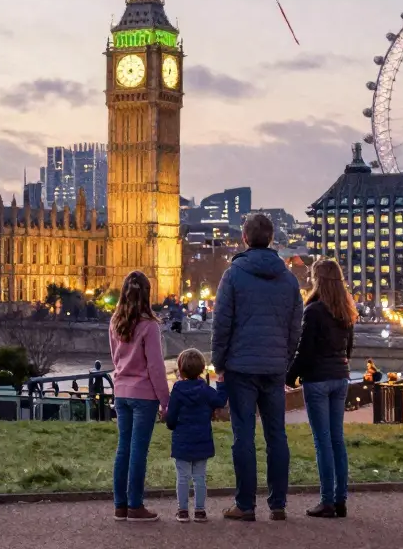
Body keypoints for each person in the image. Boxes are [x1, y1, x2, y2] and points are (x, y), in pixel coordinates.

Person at [211, 213, 303, 522]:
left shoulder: (233, 275)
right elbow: (295, 330)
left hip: (240, 367)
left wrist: (219, 362)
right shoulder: (290, 279)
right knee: (277, 435)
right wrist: (284, 361)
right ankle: (278, 504)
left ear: (245, 239)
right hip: (274, 367)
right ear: (272, 239)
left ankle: (245, 505)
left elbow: (221, 324)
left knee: (244, 436)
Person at [286, 258, 356, 520]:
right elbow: (349, 348)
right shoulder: (347, 309)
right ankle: (341, 500)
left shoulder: (314, 310)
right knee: (337, 439)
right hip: (340, 377)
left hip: (317, 379)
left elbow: (305, 350)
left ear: (318, 280)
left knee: (322, 441)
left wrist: (290, 376)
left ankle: (326, 501)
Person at [109, 270, 169, 522]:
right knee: (138, 451)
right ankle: (135, 505)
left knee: (123, 449)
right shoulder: (150, 326)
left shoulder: (114, 322)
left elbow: (115, 358)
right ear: (147, 295)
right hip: (144, 395)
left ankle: (120, 505)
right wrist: (165, 400)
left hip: (121, 392)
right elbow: (156, 366)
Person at [165, 349, 227, 523]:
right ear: (201, 369)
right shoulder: (205, 390)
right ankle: (200, 510)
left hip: (182, 440)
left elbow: (171, 417)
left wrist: (171, 425)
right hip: (202, 440)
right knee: (200, 476)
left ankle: (183, 510)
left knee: (183, 477)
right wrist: (221, 383)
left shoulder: (177, 389)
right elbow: (220, 401)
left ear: (181, 368)